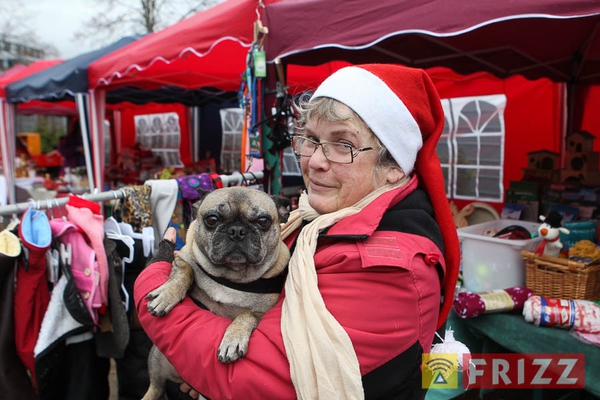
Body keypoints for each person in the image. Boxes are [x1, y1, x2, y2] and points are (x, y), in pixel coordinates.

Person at [134, 64, 460, 399]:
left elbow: (252, 380)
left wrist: (155, 279)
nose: (315, 160)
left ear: (392, 167)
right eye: (311, 140)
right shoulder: (314, 221)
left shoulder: (390, 268)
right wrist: (201, 370)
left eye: (342, 144)